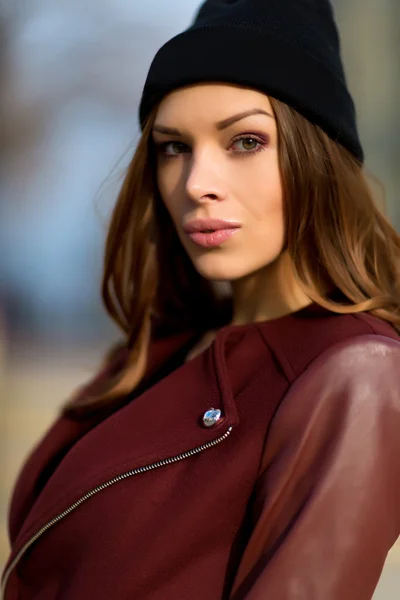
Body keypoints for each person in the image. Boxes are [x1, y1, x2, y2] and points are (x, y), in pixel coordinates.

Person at [2, 1, 400, 598]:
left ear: (317, 156)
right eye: (172, 147)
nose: (195, 184)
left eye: (244, 141)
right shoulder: (161, 348)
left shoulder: (356, 374)